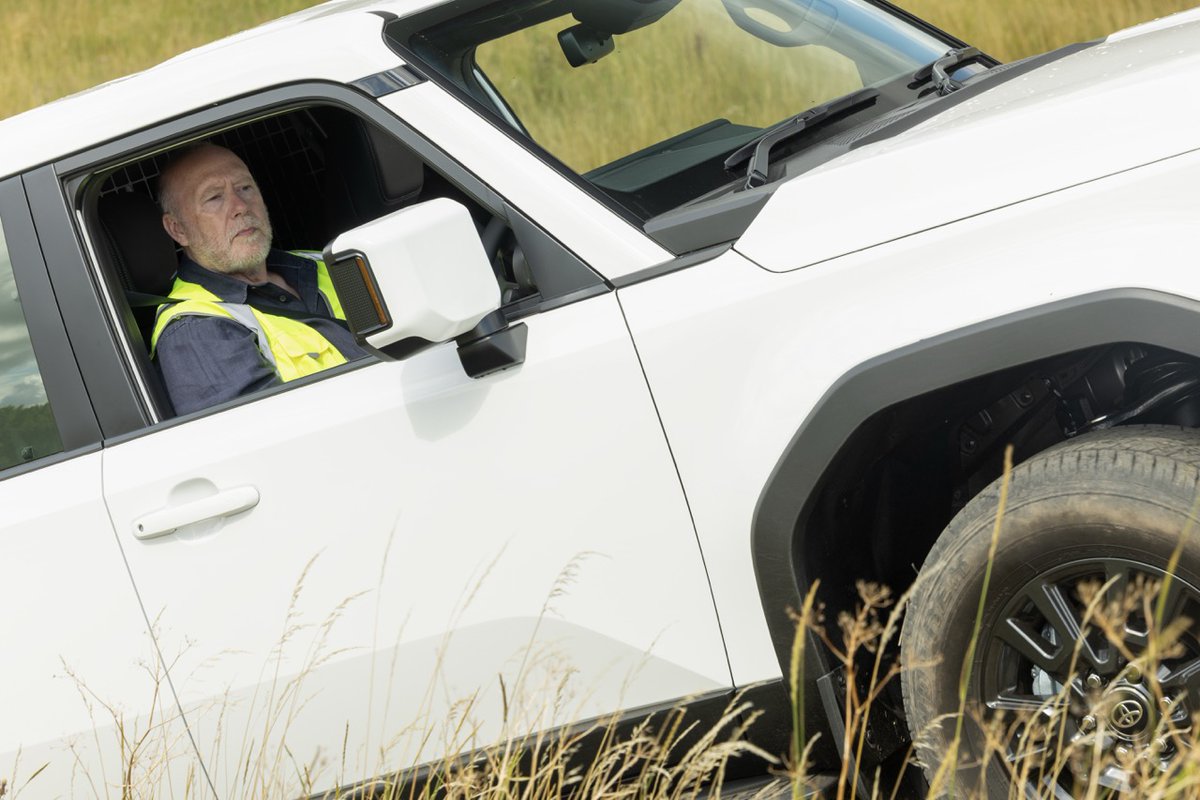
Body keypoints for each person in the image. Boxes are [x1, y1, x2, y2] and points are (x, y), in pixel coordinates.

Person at [152, 143, 368, 415]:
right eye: (214, 198)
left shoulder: (322, 263)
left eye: (245, 188)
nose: (240, 206)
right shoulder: (197, 328)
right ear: (178, 229)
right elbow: (268, 444)